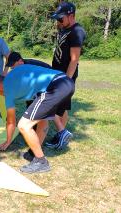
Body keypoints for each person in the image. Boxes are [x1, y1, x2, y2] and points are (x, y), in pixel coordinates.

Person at [0, 52, 75, 173]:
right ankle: (35, 154)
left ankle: (41, 162)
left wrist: (8, 141)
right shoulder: (14, 75)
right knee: (42, 121)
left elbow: (11, 121)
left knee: (24, 125)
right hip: (66, 82)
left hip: (55, 86)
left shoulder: (8, 88)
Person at [46, 2, 86, 148]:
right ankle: (60, 135)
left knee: (58, 107)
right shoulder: (64, 28)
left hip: (65, 76)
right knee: (62, 107)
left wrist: (67, 81)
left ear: (71, 16)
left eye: (61, 19)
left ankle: (61, 136)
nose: (58, 22)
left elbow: (74, 60)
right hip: (56, 73)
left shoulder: (77, 31)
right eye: (57, 19)